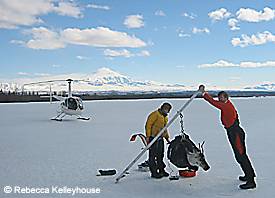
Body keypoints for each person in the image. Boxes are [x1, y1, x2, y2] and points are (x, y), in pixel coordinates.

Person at [200, 85, 256, 189]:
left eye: (222, 97)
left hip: (236, 133)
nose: (220, 99)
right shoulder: (227, 104)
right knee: (239, 156)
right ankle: (248, 176)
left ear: (226, 98)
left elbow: (213, 102)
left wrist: (204, 93)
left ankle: (251, 181)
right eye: (219, 97)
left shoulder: (226, 106)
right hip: (233, 132)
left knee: (241, 156)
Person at [145, 102, 171, 179]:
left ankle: (161, 170)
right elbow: (148, 125)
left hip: (160, 138)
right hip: (153, 138)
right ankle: (154, 172)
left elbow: (164, 129)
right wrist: (148, 136)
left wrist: (167, 138)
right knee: (153, 155)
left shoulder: (165, 117)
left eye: (168, 109)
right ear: (162, 108)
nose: (166, 110)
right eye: (165, 108)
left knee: (160, 155)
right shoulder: (155, 114)